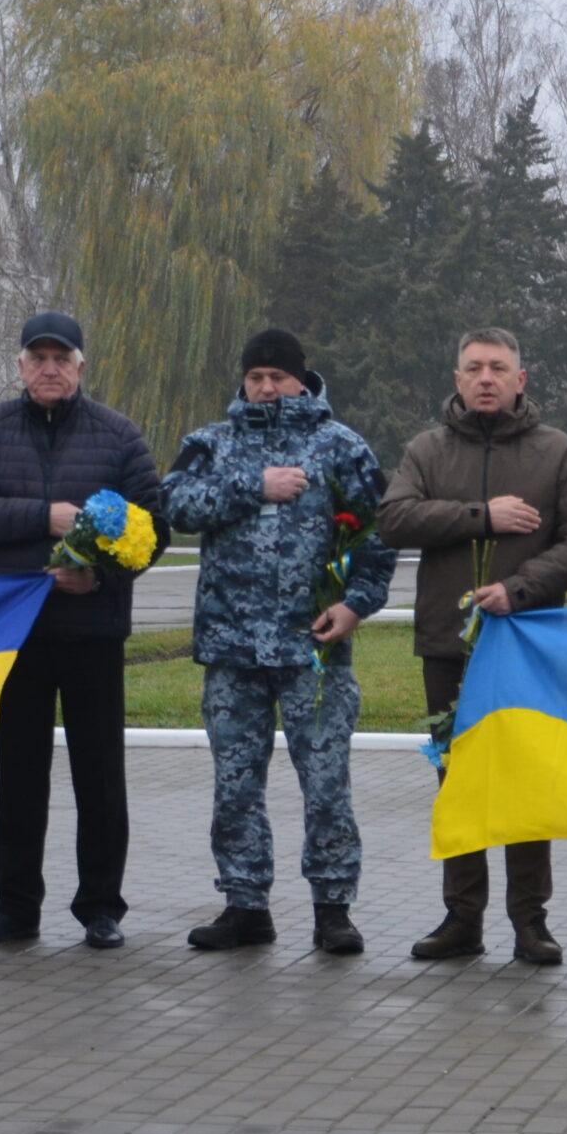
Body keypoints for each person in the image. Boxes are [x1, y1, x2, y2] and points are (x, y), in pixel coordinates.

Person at [159, 328, 397, 956]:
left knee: (325, 785)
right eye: (255, 376)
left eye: (277, 377)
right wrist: (252, 486)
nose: (265, 387)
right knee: (235, 785)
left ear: (300, 378)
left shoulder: (339, 445)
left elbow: (377, 539)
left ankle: (332, 908)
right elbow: (174, 504)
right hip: (233, 647)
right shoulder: (212, 442)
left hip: (313, 648)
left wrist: (355, 606)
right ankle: (245, 904)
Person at [0, 311, 171, 952]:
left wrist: (98, 578)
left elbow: (154, 531)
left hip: (92, 631)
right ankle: (14, 909)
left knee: (100, 776)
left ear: (80, 366)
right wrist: (44, 517)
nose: (49, 368)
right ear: (19, 366)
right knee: (19, 777)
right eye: (37, 358)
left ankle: (101, 907)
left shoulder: (120, 437)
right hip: (14, 632)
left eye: (61, 358)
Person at [377, 327, 567, 965]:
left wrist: (519, 589)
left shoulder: (555, 451)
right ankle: (461, 919)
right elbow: (393, 518)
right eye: (473, 368)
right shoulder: (427, 449)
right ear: (456, 378)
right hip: (449, 647)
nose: (485, 379)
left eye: (497, 369)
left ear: (520, 380)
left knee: (527, 781)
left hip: (528, 643)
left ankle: (530, 921)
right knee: (457, 779)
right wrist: (482, 515)